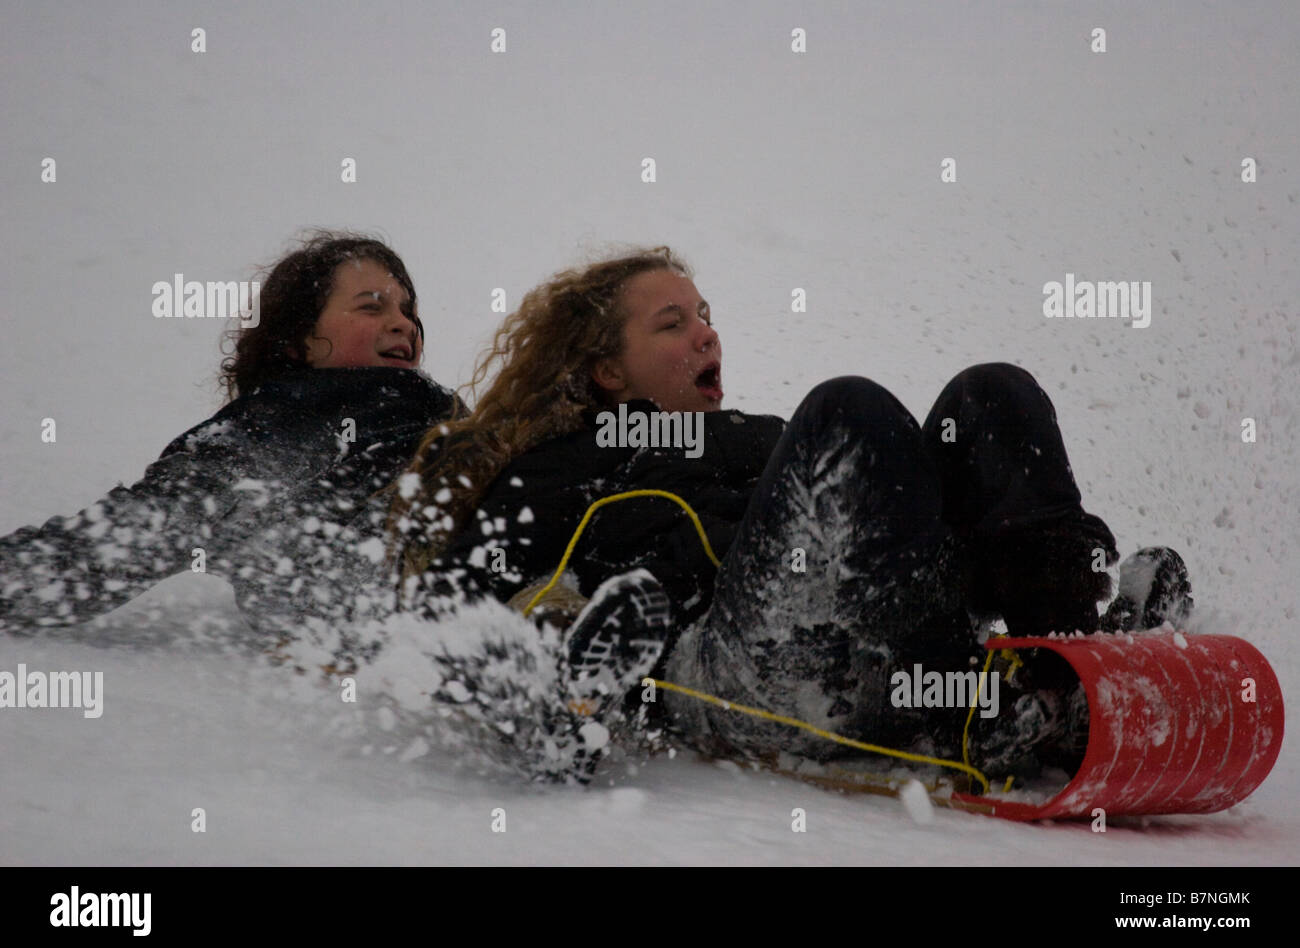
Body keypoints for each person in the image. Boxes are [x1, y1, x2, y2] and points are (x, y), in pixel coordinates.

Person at [394, 246, 1192, 784]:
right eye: (672, 325)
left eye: (704, 314)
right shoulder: (555, 464)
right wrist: (554, 666)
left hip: (874, 623)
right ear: (606, 369)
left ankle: (1062, 663)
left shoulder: (759, 442)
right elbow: (459, 612)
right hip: (737, 668)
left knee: (991, 392)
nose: (706, 332)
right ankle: (966, 705)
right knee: (852, 410)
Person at [1, 231, 459, 658]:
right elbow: (136, 533)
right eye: (371, 308)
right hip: (404, 617)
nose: (403, 324)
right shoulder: (270, 432)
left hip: (485, 568)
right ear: (299, 342)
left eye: (408, 311)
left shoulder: (449, 416)